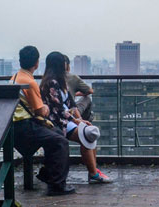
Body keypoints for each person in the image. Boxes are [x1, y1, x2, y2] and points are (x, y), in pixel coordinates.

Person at [40, 52, 113, 184]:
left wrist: (80, 120)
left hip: (66, 119)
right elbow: (58, 109)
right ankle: (93, 173)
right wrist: (76, 121)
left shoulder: (59, 81)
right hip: (57, 122)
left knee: (90, 132)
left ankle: (94, 171)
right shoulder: (51, 83)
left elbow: (71, 104)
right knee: (86, 135)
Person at [11, 46, 74, 196]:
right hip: (25, 127)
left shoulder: (14, 77)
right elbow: (40, 110)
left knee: (56, 133)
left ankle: (48, 174)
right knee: (61, 141)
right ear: (37, 63)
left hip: (15, 126)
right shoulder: (30, 82)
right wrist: (45, 107)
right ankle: (57, 186)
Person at [63, 54, 94, 121]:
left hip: (55, 112)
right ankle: (85, 122)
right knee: (87, 98)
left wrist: (75, 94)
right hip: (70, 112)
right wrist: (76, 94)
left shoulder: (47, 79)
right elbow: (90, 91)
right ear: (68, 66)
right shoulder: (72, 78)